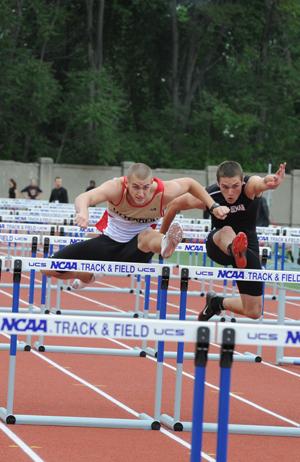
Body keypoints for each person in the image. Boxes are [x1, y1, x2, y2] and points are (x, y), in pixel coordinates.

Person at [44, 162, 229, 288]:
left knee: (147, 235)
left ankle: (166, 245)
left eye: (146, 187)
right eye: (136, 187)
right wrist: (83, 212)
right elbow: (85, 197)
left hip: (138, 250)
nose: (141, 193)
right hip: (108, 244)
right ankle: (85, 275)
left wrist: (213, 206)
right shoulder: (115, 188)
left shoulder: (163, 192)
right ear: (127, 183)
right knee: (48, 268)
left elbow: (190, 183)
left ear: (152, 183)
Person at [160, 161, 286, 321]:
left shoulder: (250, 187)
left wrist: (270, 182)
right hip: (218, 244)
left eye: (235, 186)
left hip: (247, 250)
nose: (230, 192)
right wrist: (161, 236)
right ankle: (235, 247)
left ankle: (216, 303)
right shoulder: (211, 196)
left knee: (253, 311)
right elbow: (175, 204)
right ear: (218, 184)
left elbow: (260, 182)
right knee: (227, 230)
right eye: (225, 187)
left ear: (242, 182)